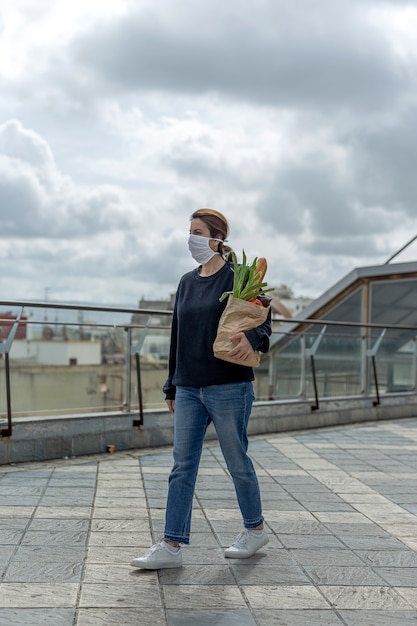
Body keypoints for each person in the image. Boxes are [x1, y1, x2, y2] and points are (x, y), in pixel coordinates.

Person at [131, 208, 272, 569]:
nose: (190, 238)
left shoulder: (239, 277)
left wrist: (252, 337)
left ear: (216, 238)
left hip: (229, 385)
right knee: (182, 466)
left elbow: (263, 321)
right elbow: (177, 335)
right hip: (189, 387)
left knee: (236, 460)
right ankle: (171, 544)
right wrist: (171, 386)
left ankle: (254, 530)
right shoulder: (185, 282)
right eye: (189, 231)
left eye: (197, 231)